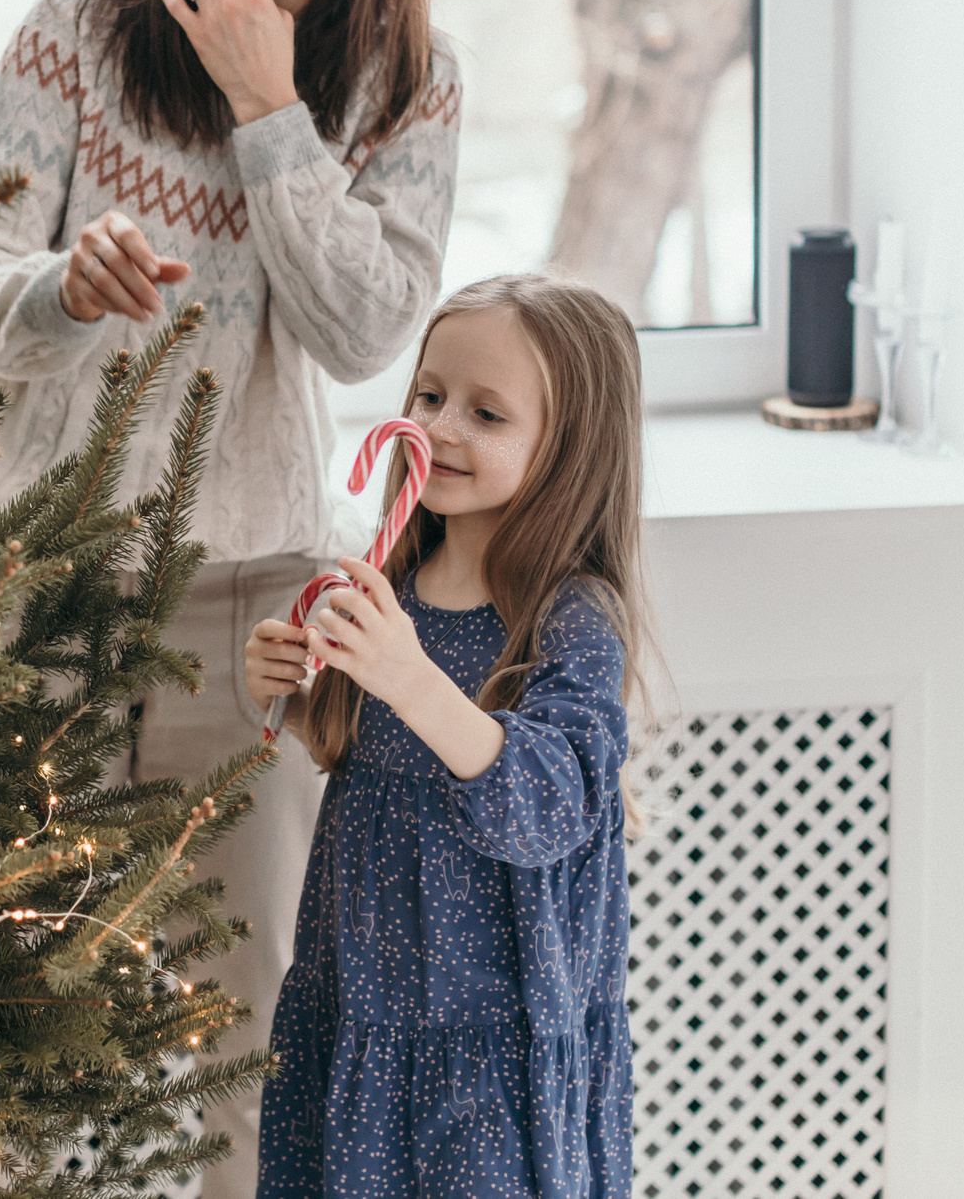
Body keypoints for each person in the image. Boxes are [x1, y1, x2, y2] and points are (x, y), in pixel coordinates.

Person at [0, 0, 462, 1199]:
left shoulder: (407, 78)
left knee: (257, 1061)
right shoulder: (82, 34)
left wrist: (264, 101)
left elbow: (366, 326)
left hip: (257, 613)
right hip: (38, 595)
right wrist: (56, 286)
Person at [244, 273, 662, 1199]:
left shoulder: (569, 617)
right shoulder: (393, 580)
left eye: (487, 413)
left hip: (489, 1045)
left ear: (571, 449)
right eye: (429, 396)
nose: (439, 428)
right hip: (364, 1008)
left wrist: (410, 675)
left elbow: (547, 804)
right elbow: (363, 751)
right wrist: (291, 694)